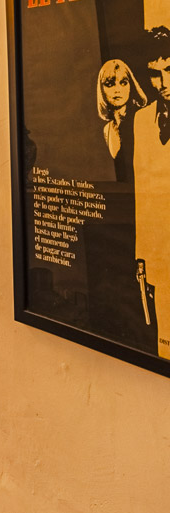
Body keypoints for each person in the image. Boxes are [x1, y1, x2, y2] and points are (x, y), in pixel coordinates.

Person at [133, 26, 170, 358]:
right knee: (163, 341)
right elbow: (141, 189)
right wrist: (141, 255)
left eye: (169, 70)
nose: (163, 82)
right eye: (155, 74)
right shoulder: (142, 120)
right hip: (158, 245)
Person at [96, 59, 147, 166]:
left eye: (123, 83)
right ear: (101, 89)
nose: (117, 89)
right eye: (110, 84)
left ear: (131, 85)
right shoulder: (107, 130)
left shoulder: (143, 119)